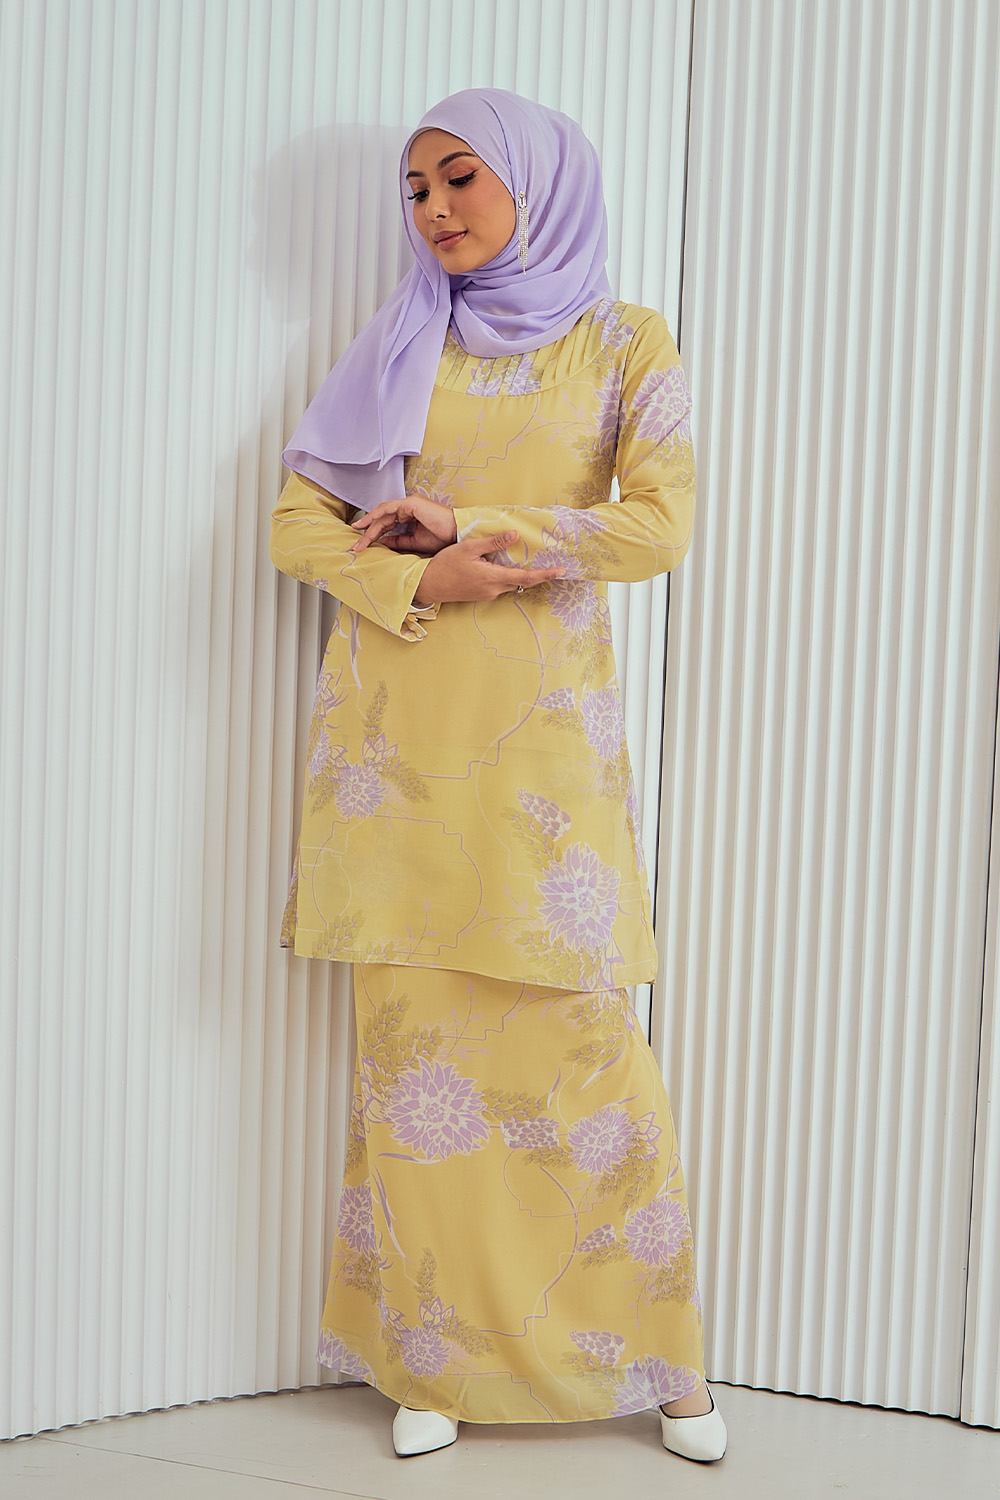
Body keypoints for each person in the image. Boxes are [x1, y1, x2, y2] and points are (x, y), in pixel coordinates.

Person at [270, 88, 727, 1464]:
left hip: (542, 768)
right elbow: (299, 526)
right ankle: (435, 1363)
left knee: (586, 1058)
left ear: (537, 180)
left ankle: (664, 1361)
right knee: (417, 1065)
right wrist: (423, 577)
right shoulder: (402, 341)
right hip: (396, 760)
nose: (436, 210)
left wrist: (478, 524)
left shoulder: (625, 340)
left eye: (460, 176)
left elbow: (658, 528)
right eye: (415, 189)